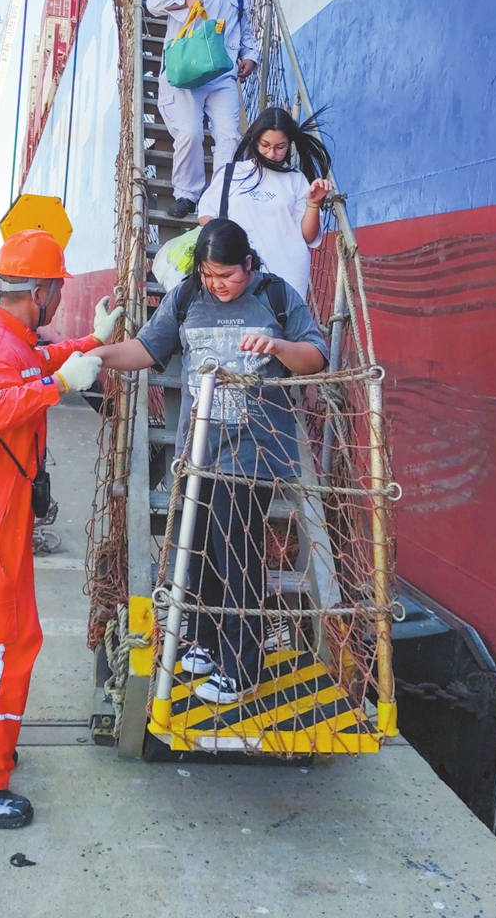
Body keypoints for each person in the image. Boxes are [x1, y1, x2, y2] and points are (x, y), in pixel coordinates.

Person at [0, 229, 122, 830]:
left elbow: (41, 359)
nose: (60, 299)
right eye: (58, 289)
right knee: (6, 639)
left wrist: (95, 340)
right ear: (39, 291)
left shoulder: (4, 336)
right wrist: (62, 386)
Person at [96, 219, 328, 705]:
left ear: (248, 263)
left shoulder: (277, 296)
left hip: (251, 456)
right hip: (198, 455)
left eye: (227, 275)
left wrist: (279, 347)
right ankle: (204, 639)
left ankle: (242, 667)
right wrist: (92, 356)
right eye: (209, 275)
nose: (218, 285)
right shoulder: (186, 297)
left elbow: (316, 357)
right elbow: (144, 349)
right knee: (194, 551)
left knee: (238, 562)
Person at [147, 0, 259, 219]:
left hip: (222, 75)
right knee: (191, 132)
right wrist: (183, 1)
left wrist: (251, 56)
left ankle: (218, 200)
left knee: (229, 137)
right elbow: (152, 2)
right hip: (186, 72)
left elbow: (246, 34)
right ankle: (187, 194)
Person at [198, 106, 334, 299]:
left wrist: (313, 203)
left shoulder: (296, 180)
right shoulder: (232, 173)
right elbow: (205, 214)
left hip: (287, 274)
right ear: (255, 140)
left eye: (280, 147)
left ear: (289, 145)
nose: (271, 153)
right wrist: (227, 243)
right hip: (238, 273)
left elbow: (308, 236)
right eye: (265, 145)